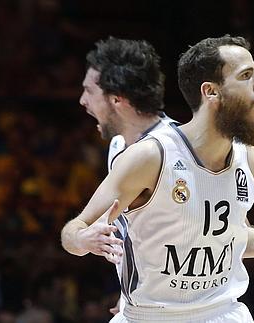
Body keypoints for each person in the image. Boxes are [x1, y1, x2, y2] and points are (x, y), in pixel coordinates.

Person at [63, 35, 254, 322]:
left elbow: (233, 238)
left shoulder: (248, 158)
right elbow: (73, 231)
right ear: (210, 92)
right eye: (245, 75)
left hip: (223, 313)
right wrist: (82, 240)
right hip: (149, 316)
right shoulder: (151, 157)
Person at [60, 36, 174, 321]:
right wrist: (84, 240)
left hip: (185, 310)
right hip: (141, 307)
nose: (82, 100)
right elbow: (74, 234)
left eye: (89, 91)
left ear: (117, 100)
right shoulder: (118, 146)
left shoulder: (177, 151)